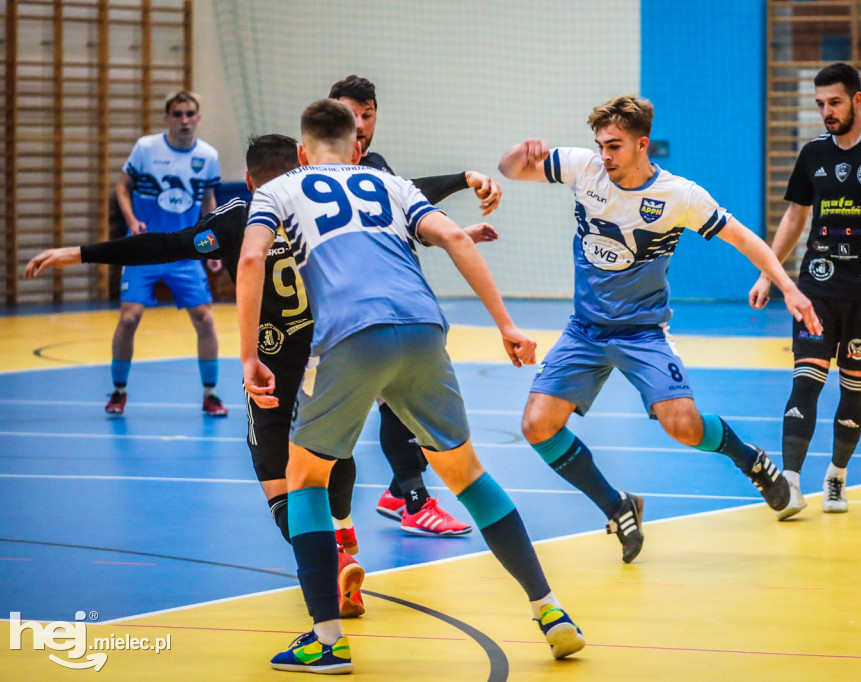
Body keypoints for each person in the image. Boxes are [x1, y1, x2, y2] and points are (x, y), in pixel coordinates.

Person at [24, 134, 505, 619]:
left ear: (250, 179)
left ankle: (333, 562)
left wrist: (79, 253)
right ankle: (342, 527)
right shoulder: (339, 204)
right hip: (332, 359)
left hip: (272, 368)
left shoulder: (239, 218)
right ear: (302, 164)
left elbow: (166, 244)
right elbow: (404, 193)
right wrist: (461, 185)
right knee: (328, 457)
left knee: (277, 478)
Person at [239, 99, 585, 673]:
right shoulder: (388, 185)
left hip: (352, 335)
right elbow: (457, 239)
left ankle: (327, 640)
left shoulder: (279, 190)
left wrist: (250, 355)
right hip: (424, 329)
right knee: (467, 474)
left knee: (305, 479)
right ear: (357, 147)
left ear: (301, 152)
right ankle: (551, 612)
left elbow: (252, 260)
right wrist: (506, 324)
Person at [498, 95, 821, 564]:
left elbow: (744, 238)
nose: (604, 155)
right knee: (537, 425)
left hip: (642, 333)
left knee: (685, 427)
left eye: (614, 146)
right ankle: (617, 505)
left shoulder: (679, 196)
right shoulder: (583, 167)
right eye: (600, 145)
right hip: (585, 330)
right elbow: (510, 170)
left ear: (641, 144)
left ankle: (749, 459)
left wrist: (786, 286)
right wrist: (520, 152)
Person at [749, 63, 861, 519]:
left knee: (854, 388)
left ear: (857, 99)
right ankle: (789, 483)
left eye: (835, 102)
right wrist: (769, 274)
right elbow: (795, 217)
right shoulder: (813, 153)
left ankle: (836, 476)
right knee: (806, 380)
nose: (826, 112)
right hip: (818, 285)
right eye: (820, 104)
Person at [329, 74, 502, 537]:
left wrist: (458, 232)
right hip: (332, 311)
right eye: (351, 116)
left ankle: (405, 493)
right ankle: (377, 512)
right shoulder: (312, 173)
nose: (361, 125)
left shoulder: (376, 165)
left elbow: (402, 201)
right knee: (321, 440)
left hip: (379, 308)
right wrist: (464, 179)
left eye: (368, 116)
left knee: (393, 396)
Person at [109, 90, 226, 417]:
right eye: (178, 114)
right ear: (167, 118)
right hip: (144, 249)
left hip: (184, 252)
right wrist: (132, 220)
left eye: (190, 114)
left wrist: (212, 243)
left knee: (204, 319)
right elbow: (122, 186)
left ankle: (211, 394)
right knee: (129, 318)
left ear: (198, 118)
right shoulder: (147, 148)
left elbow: (208, 203)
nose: (185, 120)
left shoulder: (208, 155)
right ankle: (118, 391)